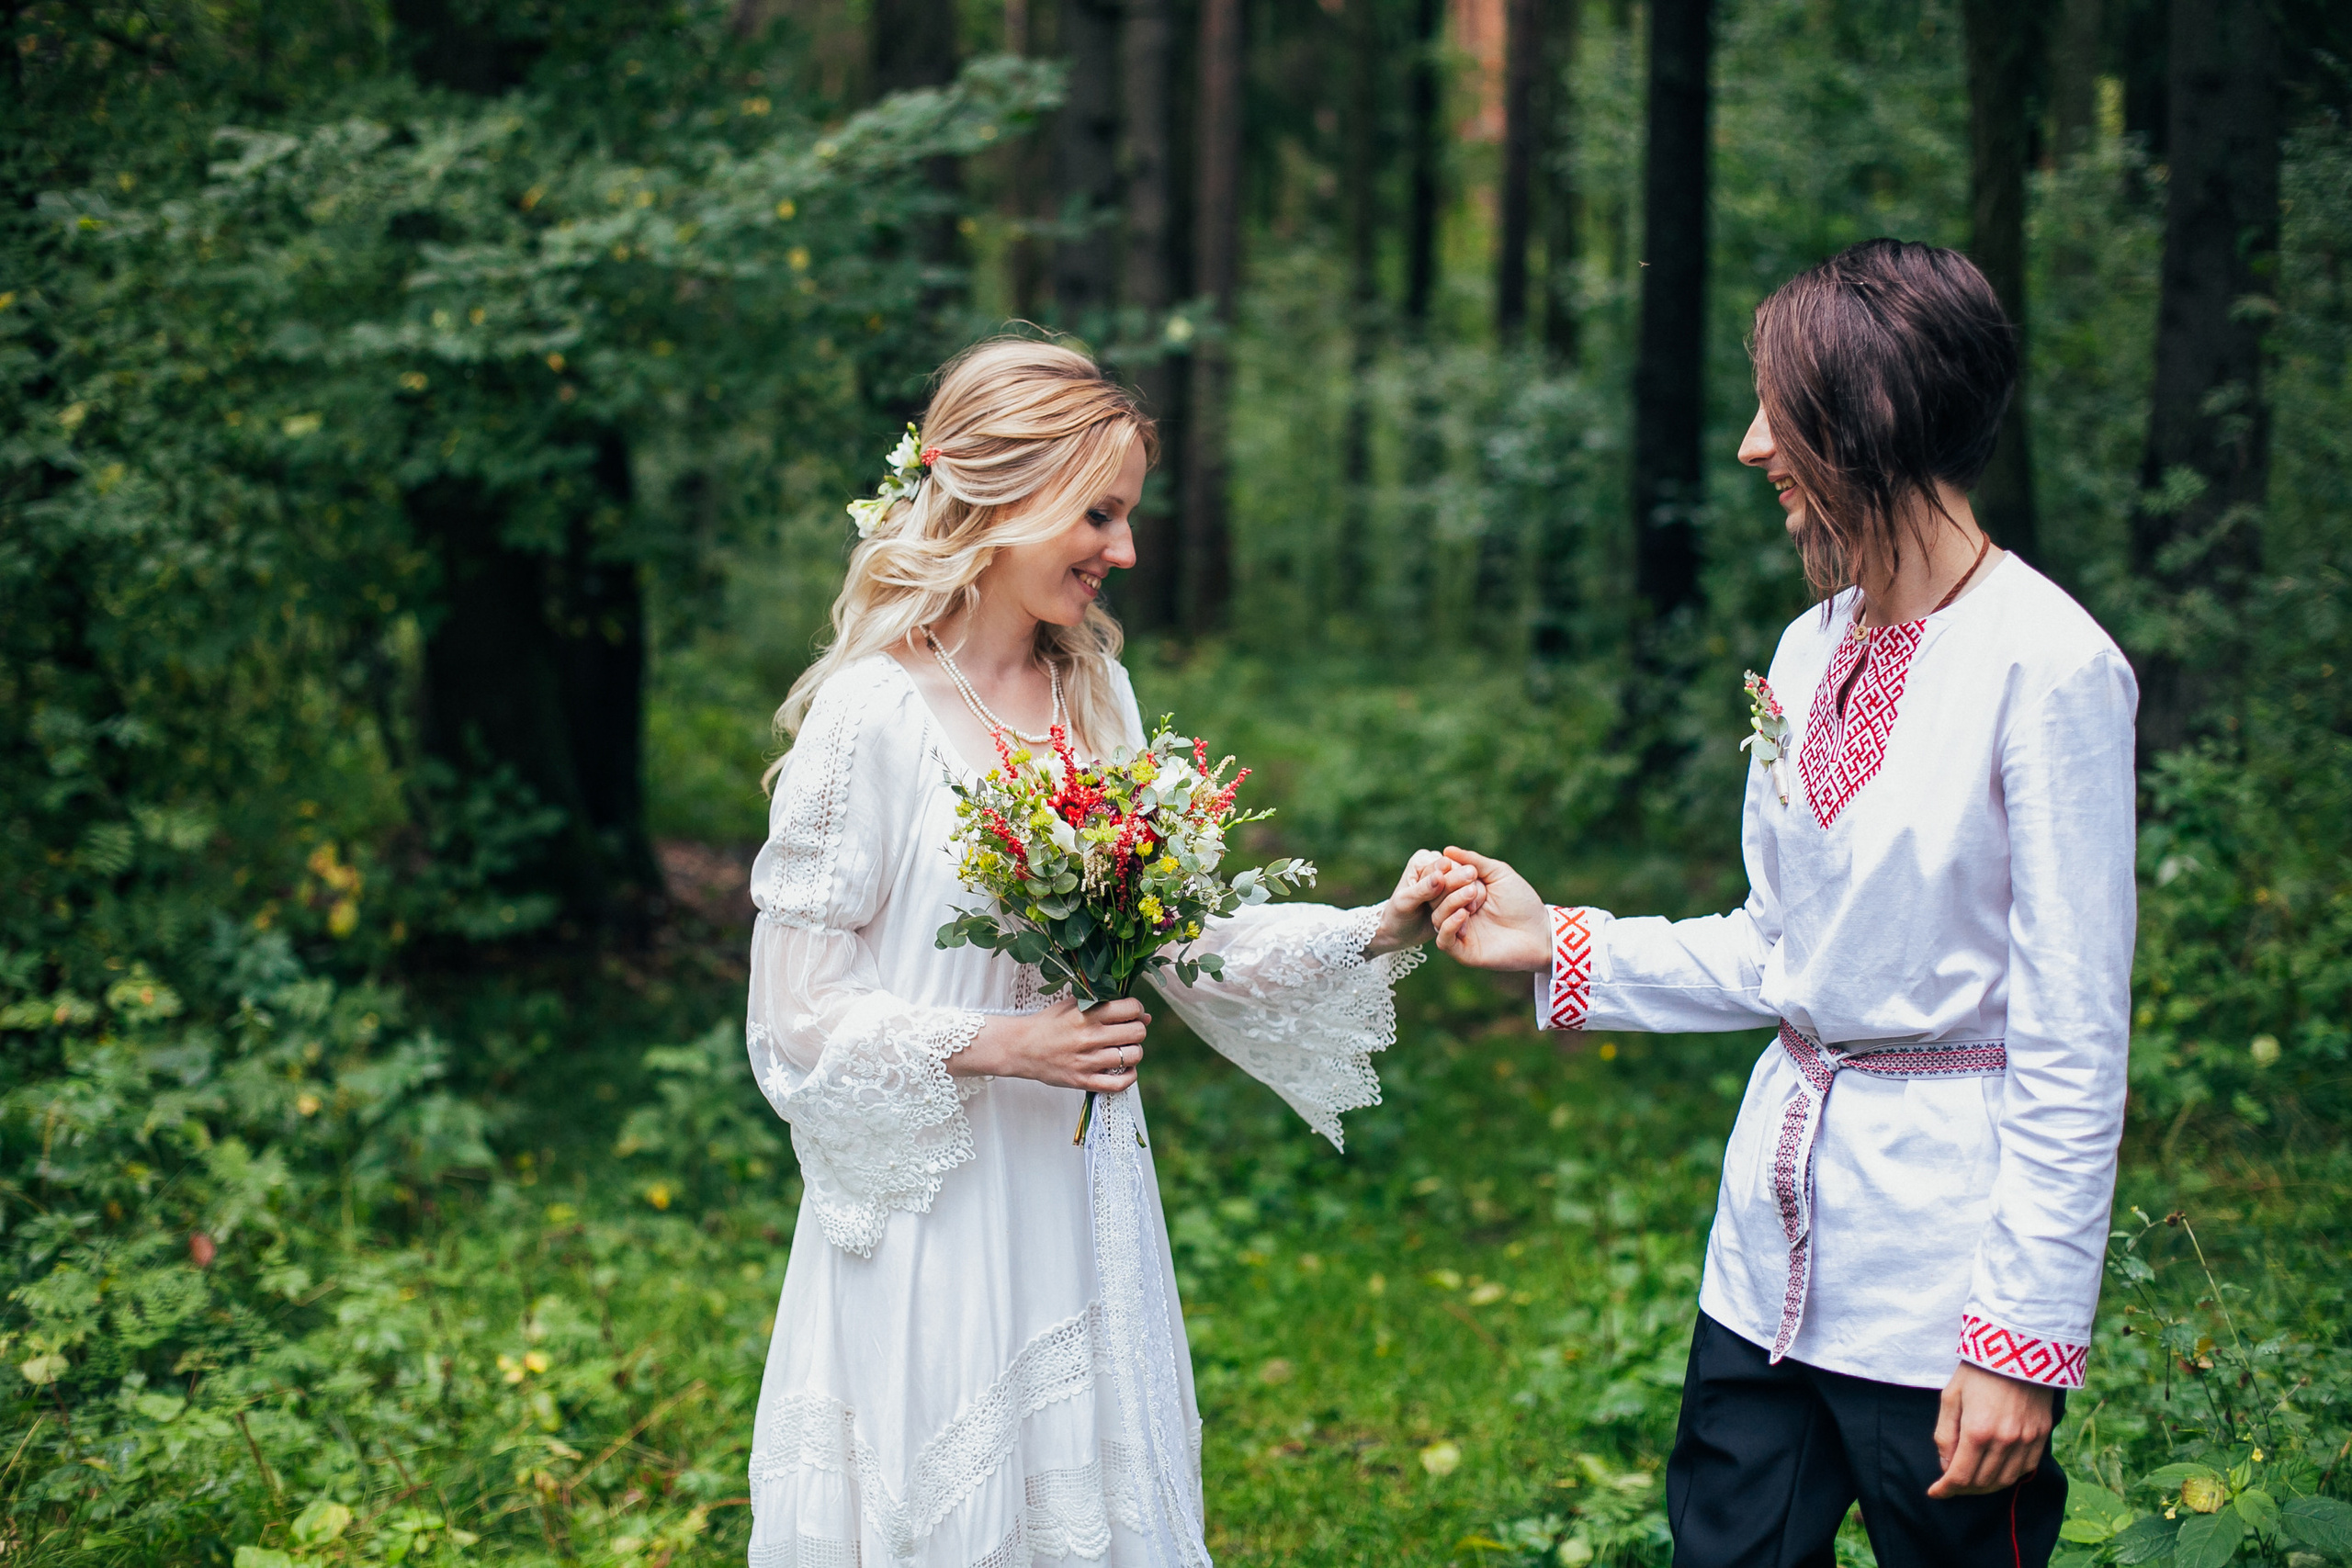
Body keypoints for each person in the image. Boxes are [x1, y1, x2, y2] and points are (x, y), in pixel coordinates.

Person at [1431, 240, 2136, 1568]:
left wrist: (2019, 1342)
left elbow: (2075, 1038)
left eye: (1782, 410)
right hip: (1764, 1255)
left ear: (1871, 420)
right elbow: (1785, 949)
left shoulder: (2050, 668)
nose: (1756, 448)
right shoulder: (1809, 647)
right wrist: (1559, 941)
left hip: (1940, 1283)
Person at [742, 336, 1473, 1568]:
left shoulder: (1098, 701)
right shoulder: (871, 715)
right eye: (1100, 513)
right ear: (1003, 496)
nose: (1123, 552)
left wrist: (1378, 926)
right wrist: (1005, 1043)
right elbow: (797, 1011)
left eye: (1127, 517)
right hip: (938, 1198)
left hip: (1079, 1190)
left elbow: (1189, 942)